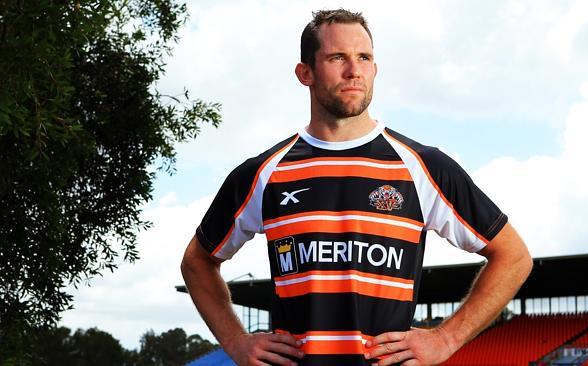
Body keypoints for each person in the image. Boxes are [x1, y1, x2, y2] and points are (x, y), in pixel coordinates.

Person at [181, 8, 532, 366]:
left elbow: (513, 256)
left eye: (364, 58)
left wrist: (447, 337)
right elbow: (198, 262)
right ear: (306, 73)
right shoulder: (264, 173)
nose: (354, 71)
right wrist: (236, 342)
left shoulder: (422, 166)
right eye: (338, 58)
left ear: (375, 69)